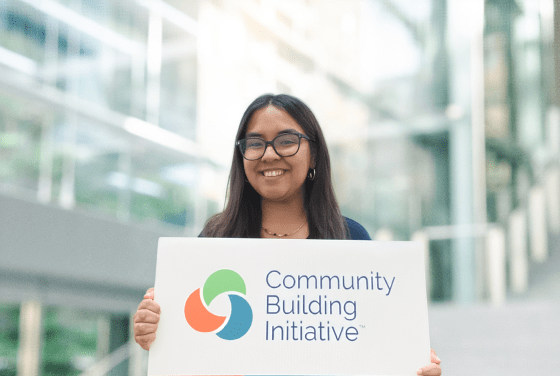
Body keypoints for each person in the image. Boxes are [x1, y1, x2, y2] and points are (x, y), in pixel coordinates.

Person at [133, 94, 442, 375]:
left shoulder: (349, 237)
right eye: (254, 143)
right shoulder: (216, 238)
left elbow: (372, 345)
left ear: (315, 155)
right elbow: (192, 351)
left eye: (286, 140)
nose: (268, 155)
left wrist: (409, 364)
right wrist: (160, 334)